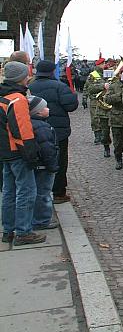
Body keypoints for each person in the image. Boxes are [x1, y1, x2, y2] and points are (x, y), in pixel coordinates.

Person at [1, 61, 45, 246]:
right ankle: (23, 232)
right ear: (21, 77)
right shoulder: (17, 100)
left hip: (5, 153)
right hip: (18, 152)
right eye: (26, 74)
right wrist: (31, 154)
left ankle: (8, 230)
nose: (29, 77)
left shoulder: (3, 97)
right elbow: (22, 130)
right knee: (26, 192)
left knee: (8, 193)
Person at [28, 59, 78, 204]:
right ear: (52, 71)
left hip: (35, 129)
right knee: (60, 160)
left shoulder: (30, 86)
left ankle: (39, 191)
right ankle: (58, 192)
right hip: (58, 129)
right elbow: (71, 105)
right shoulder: (60, 86)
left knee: (39, 159)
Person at [27, 96, 60, 230]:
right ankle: (42, 220)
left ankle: (36, 218)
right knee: (43, 193)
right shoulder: (42, 127)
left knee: (37, 191)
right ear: (38, 112)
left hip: (38, 165)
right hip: (44, 166)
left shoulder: (34, 123)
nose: (48, 108)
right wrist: (53, 166)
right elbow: (47, 149)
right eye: (45, 107)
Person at [105, 65, 123, 170]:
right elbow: (107, 99)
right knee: (118, 142)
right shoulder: (114, 85)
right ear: (120, 75)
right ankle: (118, 159)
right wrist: (121, 95)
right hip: (117, 118)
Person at [85, 58, 110, 149]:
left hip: (107, 100)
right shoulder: (93, 75)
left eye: (105, 63)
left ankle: (104, 136)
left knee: (105, 120)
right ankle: (97, 136)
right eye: (102, 63)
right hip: (95, 100)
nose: (104, 65)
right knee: (95, 118)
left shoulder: (109, 73)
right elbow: (88, 87)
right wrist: (84, 98)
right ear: (98, 65)